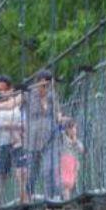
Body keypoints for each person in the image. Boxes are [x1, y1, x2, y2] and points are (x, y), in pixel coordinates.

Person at [21, 69, 64, 201]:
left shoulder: (52, 96)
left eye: (48, 84)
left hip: (50, 137)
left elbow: (58, 113)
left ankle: (50, 199)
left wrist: (61, 118)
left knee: (49, 169)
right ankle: (27, 198)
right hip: (34, 139)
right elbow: (16, 102)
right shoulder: (29, 95)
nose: (45, 87)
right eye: (43, 84)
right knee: (32, 171)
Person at [0, 75, 26, 203]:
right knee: (3, 174)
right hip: (4, 143)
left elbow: (23, 122)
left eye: (4, 90)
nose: (1, 93)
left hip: (18, 143)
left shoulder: (15, 102)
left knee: (21, 172)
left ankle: (24, 202)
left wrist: (8, 125)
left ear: (10, 89)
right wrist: (12, 125)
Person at [59, 119, 84, 201]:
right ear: (68, 130)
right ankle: (66, 202)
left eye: (75, 128)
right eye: (73, 128)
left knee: (73, 184)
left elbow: (82, 149)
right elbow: (60, 129)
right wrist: (62, 120)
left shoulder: (76, 141)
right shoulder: (63, 138)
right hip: (66, 163)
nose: (75, 130)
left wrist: (75, 141)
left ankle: (72, 201)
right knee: (66, 185)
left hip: (73, 164)